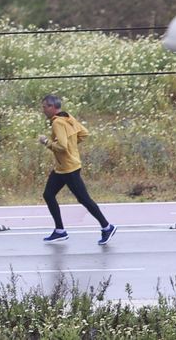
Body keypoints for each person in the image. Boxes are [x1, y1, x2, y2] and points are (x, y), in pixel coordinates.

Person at [38, 94, 118, 245]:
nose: (43, 110)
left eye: (44, 107)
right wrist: (72, 146)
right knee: (48, 194)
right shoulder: (67, 117)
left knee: (84, 199)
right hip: (62, 168)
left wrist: (46, 142)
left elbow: (62, 146)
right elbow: (84, 133)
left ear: (52, 107)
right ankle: (60, 231)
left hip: (69, 168)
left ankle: (107, 227)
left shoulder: (58, 123)